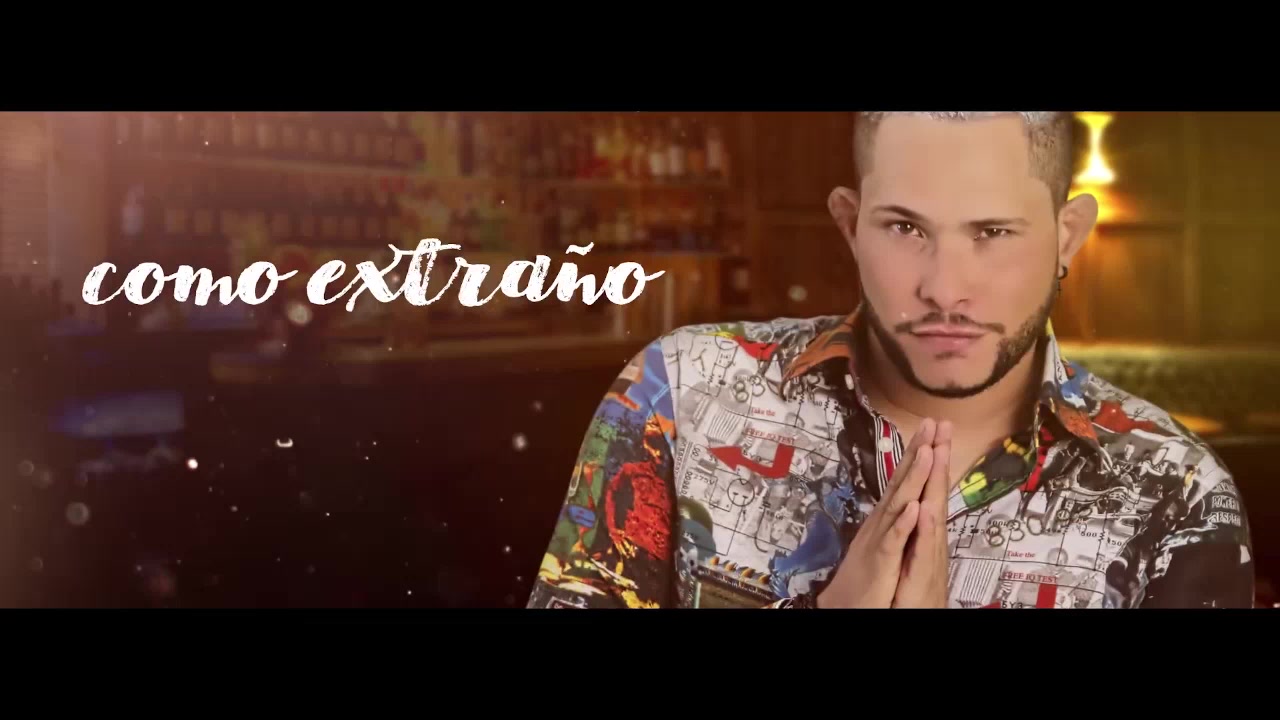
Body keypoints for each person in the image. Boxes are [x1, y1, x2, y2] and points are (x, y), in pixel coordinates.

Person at [525, 111, 1255, 609]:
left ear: (1067, 236)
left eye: (993, 232)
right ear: (850, 225)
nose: (944, 288)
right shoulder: (682, 391)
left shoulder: (1179, 497)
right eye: (906, 228)